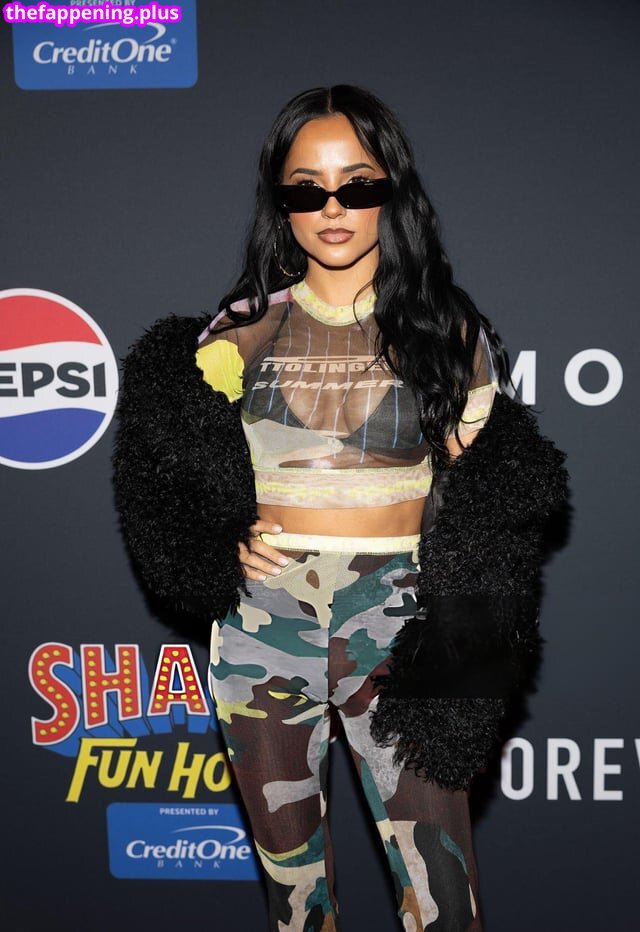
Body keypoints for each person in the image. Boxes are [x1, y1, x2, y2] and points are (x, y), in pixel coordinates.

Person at [112, 84, 570, 932]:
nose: (332, 208)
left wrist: (465, 637)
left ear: (391, 189)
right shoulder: (237, 331)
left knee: (443, 898)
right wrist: (213, 539)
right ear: (280, 201)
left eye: (357, 185)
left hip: (401, 617)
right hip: (263, 622)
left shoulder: (446, 332)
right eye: (306, 189)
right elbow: (173, 471)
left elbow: (489, 505)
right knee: (296, 898)